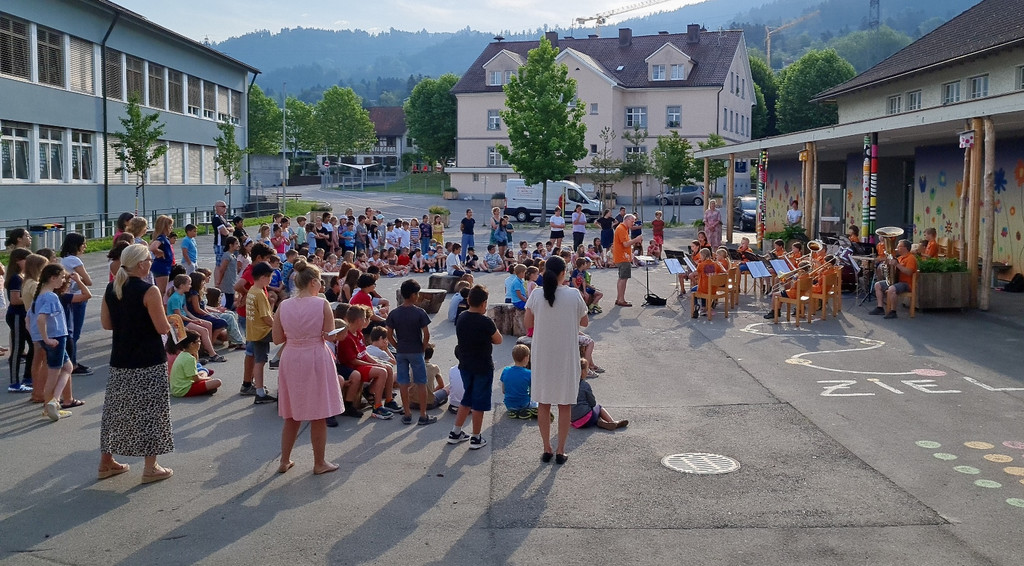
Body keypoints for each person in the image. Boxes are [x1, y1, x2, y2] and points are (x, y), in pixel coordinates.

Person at [99, 243, 174, 482]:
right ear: (141, 264)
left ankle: (106, 461)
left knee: (116, 411)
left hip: (120, 357)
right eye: (149, 260)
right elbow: (161, 327)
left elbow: (107, 324)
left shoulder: (113, 287)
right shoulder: (148, 290)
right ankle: (150, 467)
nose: (151, 263)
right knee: (151, 411)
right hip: (148, 358)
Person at [272, 259, 343, 474]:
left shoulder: (284, 305)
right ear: (313, 282)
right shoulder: (321, 304)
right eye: (320, 281)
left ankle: (284, 460)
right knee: (318, 413)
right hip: (315, 355)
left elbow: (276, 339)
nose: (322, 285)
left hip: (291, 356)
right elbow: (329, 334)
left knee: (292, 415)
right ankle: (319, 463)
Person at [524, 256, 589, 465]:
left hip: (543, 355)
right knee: (564, 403)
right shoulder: (573, 295)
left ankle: (546, 448)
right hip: (566, 355)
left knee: (543, 402)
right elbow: (585, 321)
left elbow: (527, 322)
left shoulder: (536, 294)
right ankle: (561, 450)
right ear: (564, 273)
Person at [448, 285, 501, 449]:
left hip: (465, 364)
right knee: (479, 403)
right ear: (484, 303)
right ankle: (476, 437)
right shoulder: (485, 322)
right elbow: (498, 340)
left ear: (469, 300)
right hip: (482, 366)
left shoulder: (462, 317)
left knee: (467, 398)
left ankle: (456, 432)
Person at [386, 279, 436, 426]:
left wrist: (397, 345)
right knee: (421, 382)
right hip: (416, 350)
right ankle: (423, 414)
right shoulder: (420, 313)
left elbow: (389, 334)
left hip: (402, 351)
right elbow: (426, 334)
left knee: (403, 382)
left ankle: (407, 413)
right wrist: (423, 347)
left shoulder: (395, 313)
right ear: (414, 295)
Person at [29, 264, 75, 421]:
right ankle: (51, 404)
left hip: (48, 338)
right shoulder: (51, 297)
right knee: (53, 373)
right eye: (62, 277)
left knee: (67, 367)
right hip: (56, 338)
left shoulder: (39, 296)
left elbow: (28, 319)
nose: (63, 281)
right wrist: (46, 338)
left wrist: (37, 336)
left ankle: (53, 401)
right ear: (52, 278)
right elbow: (41, 318)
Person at [59, 233, 94, 375]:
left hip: (68, 297)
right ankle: (71, 363)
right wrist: (80, 280)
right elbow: (88, 281)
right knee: (75, 333)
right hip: (77, 298)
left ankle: (70, 361)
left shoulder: (64, 259)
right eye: (83, 243)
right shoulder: (74, 260)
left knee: (69, 331)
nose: (85, 246)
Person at [247, 262, 278, 405]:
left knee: (260, 360)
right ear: (263, 277)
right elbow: (266, 318)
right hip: (263, 331)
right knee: (291, 336)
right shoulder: (260, 293)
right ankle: (279, 358)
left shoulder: (252, 290)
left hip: (254, 331)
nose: (271, 279)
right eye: (270, 276)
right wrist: (280, 328)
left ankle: (259, 392)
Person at [570, 358, 628, 430]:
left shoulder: (568, 386)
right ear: (584, 372)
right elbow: (593, 403)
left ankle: (599, 422)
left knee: (590, 412)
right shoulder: (585, 385)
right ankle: (612, 422)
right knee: (598, 407)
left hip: (573, 421)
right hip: (587, 419)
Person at [6, 249, 34, 393]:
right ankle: (14, 382)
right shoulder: (16, 278)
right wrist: (30, 297)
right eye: (26, 260)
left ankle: (28, 377)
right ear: (18, 261)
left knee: (34, 346)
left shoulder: (23, 276)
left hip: (24, 315)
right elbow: (15, 300)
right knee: (18, 348)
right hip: (16, 315)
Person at [871, 239, 917, 319]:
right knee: (877, 285)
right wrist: (886, 266)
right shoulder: (899, 258)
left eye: (898, 247)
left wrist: (897, 265)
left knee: (892, 288)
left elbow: (909, 272)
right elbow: (894, 271)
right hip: (897, 281)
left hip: (906, 283)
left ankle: (893, 311)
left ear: (905, 248)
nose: (896, 248)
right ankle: (880, 307)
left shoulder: (911, 258)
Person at [168, 330, 222, 397]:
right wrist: (207, 378)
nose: (200, 343)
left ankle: (205, 387)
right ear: (192, 344)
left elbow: (194, 367)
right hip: (183, 390)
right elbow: (196, 379)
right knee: (217, 382)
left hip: (178, 387)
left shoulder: (183, 354)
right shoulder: (189, 358)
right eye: (198, 341)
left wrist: (196, 352)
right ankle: (204, 388)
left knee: (203, 373)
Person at [611, 214, 643, 307]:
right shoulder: (621, 229)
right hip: (622, 257)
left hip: (623, 256)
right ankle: (621, 299)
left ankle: (619, 298)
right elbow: (625, 244)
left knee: (621, 278)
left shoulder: (623, 228)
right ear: (627, 220)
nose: (633, 223)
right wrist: (636, 239)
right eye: (632, 221)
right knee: (623, 279)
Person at [501, 344, 538, 419]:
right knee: (535, 401)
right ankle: (531, 410)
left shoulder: (506, 370)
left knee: (512, 404)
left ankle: (513, 412)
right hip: (524, 403)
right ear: (526, 358)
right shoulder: (529, 373)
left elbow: (503, 390)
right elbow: (532, 393)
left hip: (509, 404)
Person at [212, 201, 231, 268]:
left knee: (225, 264)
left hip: (225, 243)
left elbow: (232, 228)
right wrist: (227, 229)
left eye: (225, 207)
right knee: (219, 264)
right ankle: (218, 278)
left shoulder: (223, 218)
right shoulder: (216, 219)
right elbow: (225, 233)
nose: (225, 208)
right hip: (219, 244)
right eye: (223, 206)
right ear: (217, 208)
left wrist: (227, 229)